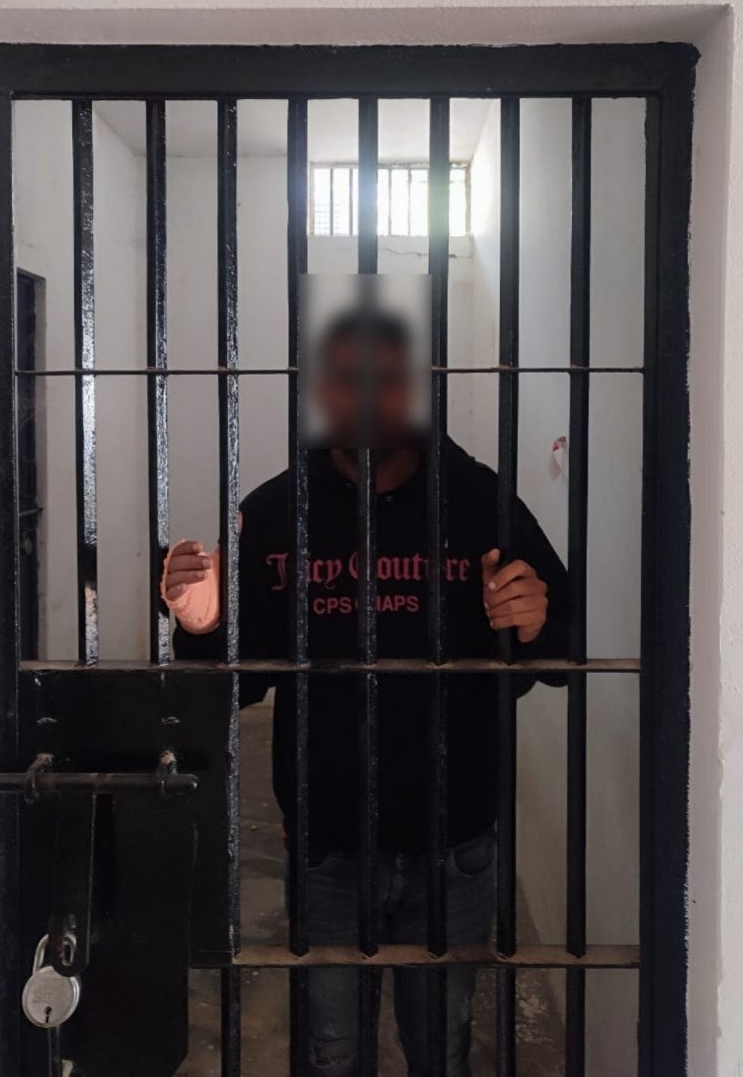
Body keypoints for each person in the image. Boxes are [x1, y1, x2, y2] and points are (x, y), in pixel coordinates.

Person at [165, 307, 569, 1077]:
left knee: (441, 1048)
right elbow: (235, 685)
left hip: (456, 839)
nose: (364, 395)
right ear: (318, 391)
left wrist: (534, 620)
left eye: (385, 378)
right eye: (345, 377)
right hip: (328, 839)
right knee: (331, 1049)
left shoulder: (478, 501)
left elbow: (558, 654)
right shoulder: (274, 513)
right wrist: (202, 627)